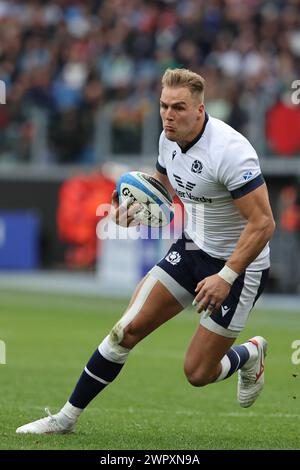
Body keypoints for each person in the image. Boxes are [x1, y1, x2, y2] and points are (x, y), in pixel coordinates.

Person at [16, 68, 275, 434]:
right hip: (190, 247)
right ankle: (65, 418)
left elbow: (263, 224)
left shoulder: (231, 153)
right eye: (163, 106)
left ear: (200, 110)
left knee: (198, 373)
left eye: (179, 108)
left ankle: (249, 354)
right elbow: (164, 186)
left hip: (238, 266)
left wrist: (226, 276)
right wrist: (133, 208)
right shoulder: (167, 139)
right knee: (125, 331)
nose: (169, 115)